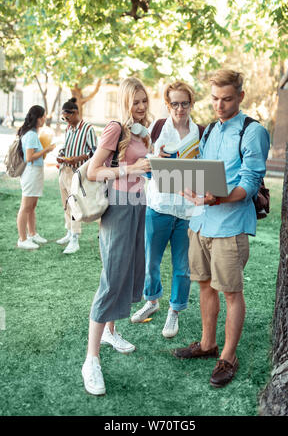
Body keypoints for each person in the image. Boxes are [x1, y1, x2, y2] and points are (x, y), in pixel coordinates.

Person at [173, 69, 270, 388]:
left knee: (231, 292)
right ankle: (207, 344)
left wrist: (220, 197)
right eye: (214, 98)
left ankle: (228, 356)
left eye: (227, 99)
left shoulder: (252, 131)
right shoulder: (211, 129)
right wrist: (186, 183)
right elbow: (204, 172)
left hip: (230, 225)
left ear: (241, 96)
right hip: (200, 221)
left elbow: (251, 183)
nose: (219, 105)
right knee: (204, 285)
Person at [81, 77, 151, 396]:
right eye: (135, 101)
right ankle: (91, 361)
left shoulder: (141, 131)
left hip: (138, 203)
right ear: (125, 102)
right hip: (119, 206)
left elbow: (141, 168)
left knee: (128, 273)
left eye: (144, 101)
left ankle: (111, 332)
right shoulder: (115, 128)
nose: (140, 107)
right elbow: (93, 171)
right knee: (111, 278)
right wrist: (131, 169)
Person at [131, 81, 204, 338]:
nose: (180, 108)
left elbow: (203, 173)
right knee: (151, 260)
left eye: (184, 103)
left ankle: (175, 310)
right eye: (175, 103)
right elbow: (142, 163)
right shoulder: (157, 128)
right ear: (167, 104)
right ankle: (152, 300)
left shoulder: (200, 133)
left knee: (182, 266)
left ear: (191, 103)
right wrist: (154, 158)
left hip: (187, 213)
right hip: (159, 206)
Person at [56, 98, 98, 254]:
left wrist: (78, 158)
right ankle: (69, 232)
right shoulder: (68, 129)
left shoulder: (88, 129)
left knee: (75, 205)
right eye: (63, 118)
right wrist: (61, 155)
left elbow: (95, 152)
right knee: (66, 204)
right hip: (64, 170)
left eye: (67, 117)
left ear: (75, 113)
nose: (65, 121)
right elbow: (65, 147)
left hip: (77, 173)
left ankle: (75, 239)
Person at [16, 105, 55, 250]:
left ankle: (32, 234)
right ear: (37, 118)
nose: (45, 119)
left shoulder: (32, 133)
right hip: (31, 173)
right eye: (43, 116)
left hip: (35, 172)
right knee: (26, 207)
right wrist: (47, 149)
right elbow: (29, 157)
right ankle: (22, 238)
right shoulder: (31, 135)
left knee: (32, 207)